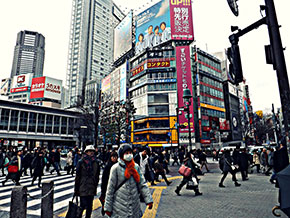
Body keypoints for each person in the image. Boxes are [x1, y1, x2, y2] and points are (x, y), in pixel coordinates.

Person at [104, 144, 153, 218]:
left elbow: (142, 184)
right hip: (119, 207)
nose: (129, 155)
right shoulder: (115, 168)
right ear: (121, 155)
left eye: (130, 153)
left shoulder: (136, 167)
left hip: (134, 205)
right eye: (126, 153)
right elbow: (110, 189)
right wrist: (107, 208)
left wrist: (148, 200)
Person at [74, 145, 100, 218]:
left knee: (89, 206)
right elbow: (78, 176)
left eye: (92, 151)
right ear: (86, 152)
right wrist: (76, 189)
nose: (91, 153)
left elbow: (97, 175)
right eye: (89, 151)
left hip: (91, 186)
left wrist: (95, 184)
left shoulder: (96, 162)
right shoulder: (81, 162)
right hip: (83, 186)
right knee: (82, 205)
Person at [99, 151, 118, 216]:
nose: (114, 158)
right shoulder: (108, 166)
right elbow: (104, 179)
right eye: (113, 157)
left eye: (115, 157)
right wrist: (103, 191)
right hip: (108, 187)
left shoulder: (118, 166)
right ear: (110, 157)